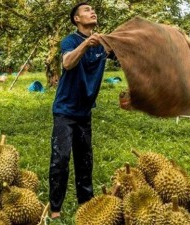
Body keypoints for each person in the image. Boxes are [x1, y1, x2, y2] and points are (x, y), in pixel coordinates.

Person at [48, 2, 116, 223]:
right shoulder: (71, 41)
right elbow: (67, 63)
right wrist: (87, 43)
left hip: (84, 113)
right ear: (77, 19)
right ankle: (55, 208)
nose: (92, 12)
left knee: (85, 160)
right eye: (86, 10)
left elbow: (126, 56)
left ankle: (86, 204)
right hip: (65, 111)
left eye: (93, 9)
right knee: (61, 158)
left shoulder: (103, 45)